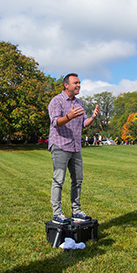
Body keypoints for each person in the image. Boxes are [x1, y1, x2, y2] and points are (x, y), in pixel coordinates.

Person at [47, 73, 100, 224]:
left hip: (76, 147)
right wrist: (69, 116)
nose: (78, 85)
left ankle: (76, 211)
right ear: (66, 85)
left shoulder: (79, 102)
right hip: (60, 145)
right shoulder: (56, 101)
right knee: (59, 180)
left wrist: (93, 118)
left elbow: (85, 123)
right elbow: (56, 122)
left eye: (79, 83)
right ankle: (57, 213)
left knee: (77, 180)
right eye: (75, 83)